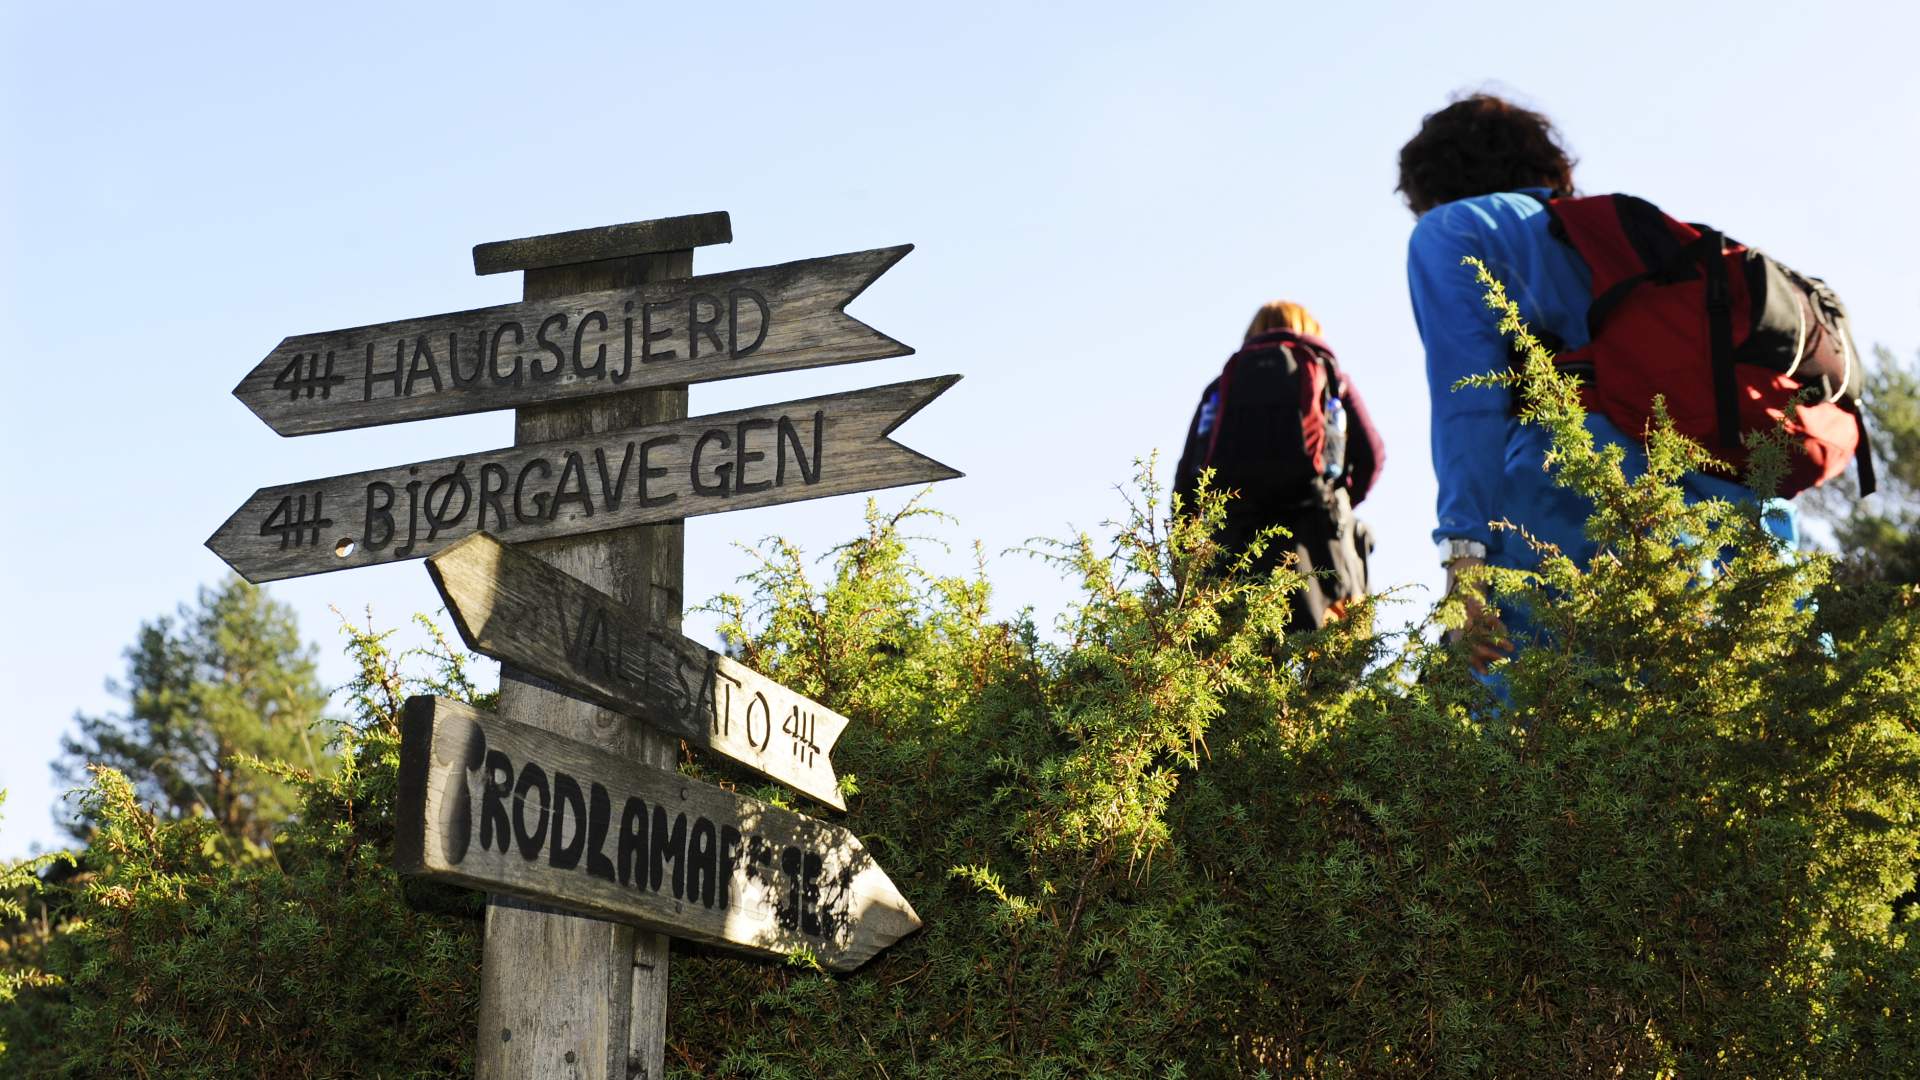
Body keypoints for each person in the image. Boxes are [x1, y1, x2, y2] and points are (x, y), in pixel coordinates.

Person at [1397, 93, 1841, 674]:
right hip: (1737, 494)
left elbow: (1468, 401)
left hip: (1572, 491)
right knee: (1799, 715)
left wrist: (1464, 559)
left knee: (1528, 728)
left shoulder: (1456, 230)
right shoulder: (1618, 242)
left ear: (1432, 185)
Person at [1173, 300, 1384, 629]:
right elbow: (1372, 456)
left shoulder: (1220, 389)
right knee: (1325, 665)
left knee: (1241, 660)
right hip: (1317, 541)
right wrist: (1337, 500)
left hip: (1236, 546)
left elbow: (1188, 483)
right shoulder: (1330, 376)